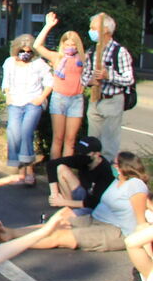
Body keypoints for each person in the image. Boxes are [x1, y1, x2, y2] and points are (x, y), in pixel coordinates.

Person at [0, 151, 148, 252]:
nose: (112, 166)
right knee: (53, 226)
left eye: (115, 164)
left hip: (114, 231)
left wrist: (147, 249)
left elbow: (141, 221)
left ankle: (10, 240)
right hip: (95, 219)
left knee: (60, 236)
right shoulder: (117, 181)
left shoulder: (135, 185)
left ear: (123, 167)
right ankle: (11, 232)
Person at [34, 12, 89, 160]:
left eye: (73, 44)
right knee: (58, 138)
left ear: (78, 45)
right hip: (59, 98)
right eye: (67, 44)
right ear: (62, 44)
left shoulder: (83, 59)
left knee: (70, 140)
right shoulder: (57, 57)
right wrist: (48, 26)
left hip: (76, 99)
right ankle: (55, 169)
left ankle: (66, 169)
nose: (70, 47)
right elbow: (37, 46)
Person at [2, 34, 53, 185]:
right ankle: (20, 170)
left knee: (26, 132)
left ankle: (29, 171)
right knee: (14, 132)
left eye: (29, 51)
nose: (25, 54)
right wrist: (8, 95)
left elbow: (50, 82)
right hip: (15, 102)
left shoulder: (39, 63)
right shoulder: (9, 62)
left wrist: (41, 98)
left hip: (32, 102)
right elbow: (6, 82)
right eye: (22, 51)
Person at [86, 12, 134, 161]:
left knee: (109, 144)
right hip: (95, 100)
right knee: (92, 143)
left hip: (112, 99)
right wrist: (90, 80)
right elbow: (84, 76)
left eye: (93, 28)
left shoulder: (119, 52)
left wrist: (109, 76)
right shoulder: (92, 51)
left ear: (105, 30)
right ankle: (92, 170)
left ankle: (107, 171)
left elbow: (129, 79)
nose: (90, 31)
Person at [46, 135, 114, 214]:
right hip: (83, 194)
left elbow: (93, 203)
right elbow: (51, 164)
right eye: (79, 152)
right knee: (61, 168)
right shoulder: (81, 159)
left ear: (97, 154)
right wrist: (54, 194)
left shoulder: (105, 171)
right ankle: (69, 207)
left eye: (84, 153)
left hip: (95, 207)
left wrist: (63, 202)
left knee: (65, 217)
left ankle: (69, 208)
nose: (80, 155)